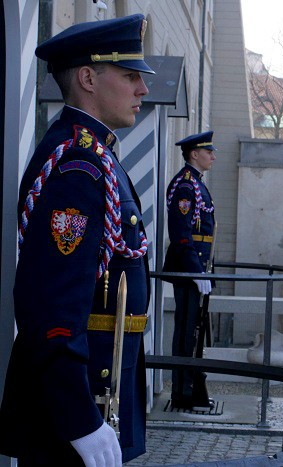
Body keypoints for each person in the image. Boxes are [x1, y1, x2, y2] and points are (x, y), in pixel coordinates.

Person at [0, 14, 154, 466]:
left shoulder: (97, 156)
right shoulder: (76, 166)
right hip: (75, 404)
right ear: (88, 77)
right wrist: (79, 417)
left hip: (101, 387)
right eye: (130, 76)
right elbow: (50, 304)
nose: (142, 89)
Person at [163, 131, 217, 410]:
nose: (213, 156)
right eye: (208, 152)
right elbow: (182, 234)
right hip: (188, 268)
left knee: (193, 331)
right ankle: (183, 393)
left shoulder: (195, 183)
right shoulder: (186, 186)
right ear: (194, 154)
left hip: (196, 267)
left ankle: (190, 388)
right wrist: (195, 271)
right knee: (186, 332)